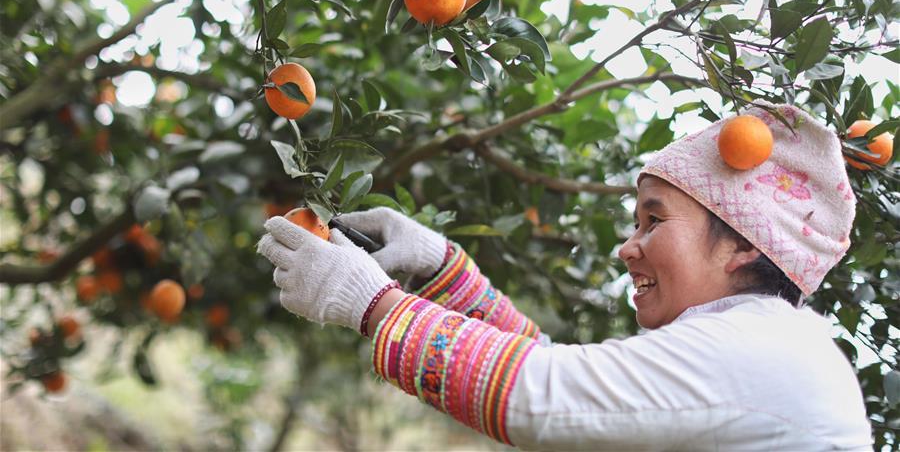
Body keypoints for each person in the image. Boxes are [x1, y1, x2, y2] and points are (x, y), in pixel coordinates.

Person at [257, 103, 872, 450]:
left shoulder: (756, 350)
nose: (628, 248)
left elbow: (540, 394)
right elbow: (568, 378)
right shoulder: (755, 339)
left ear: (741, 244)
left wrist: (372, 303)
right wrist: (444, 270)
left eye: (653, 220)